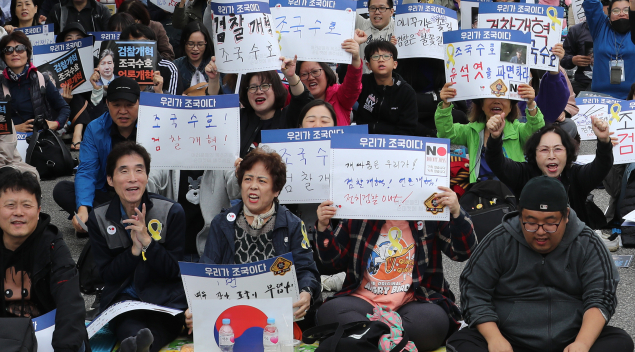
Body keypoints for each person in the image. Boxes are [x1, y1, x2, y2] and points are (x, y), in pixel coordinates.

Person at [450, 177, 632, 352]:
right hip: (509, 340)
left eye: (550, 223)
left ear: (566, 215)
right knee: (460, 342)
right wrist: (494, 339)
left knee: (620, 342)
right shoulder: (499, 239)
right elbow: (473, 291)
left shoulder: (588, 243)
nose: (540, 232)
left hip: (571, 340)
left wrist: (582, 344)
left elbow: (601, 297)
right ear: (520, 214)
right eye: (530, 223)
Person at [313, 184, 473, 350]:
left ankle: (365, 340)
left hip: (414, 300)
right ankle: (395, 342)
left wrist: (456, 212)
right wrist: (323, 227)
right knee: (329, 311)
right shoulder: (358, 212)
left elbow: (462, 252)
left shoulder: (429, 214)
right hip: (362, 300)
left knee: (432, 323)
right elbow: (331, 263)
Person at [192, 149, 319, 329]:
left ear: (276, 190)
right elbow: (207, 270)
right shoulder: (221, 223)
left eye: (262, 181)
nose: (253, 186)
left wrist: (306, 292)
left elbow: (306, 270)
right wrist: (197, 305)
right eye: (248, 179)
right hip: (231, 315)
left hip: (277, 318)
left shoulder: (293, 225)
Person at [87, 142, 186, 352]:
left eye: (139, 170)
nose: (132, 178)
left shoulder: (171, 211)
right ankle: (136, 346)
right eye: (124, 171)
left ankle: (142, 348)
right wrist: (133, 251)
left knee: (165, 323)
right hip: (124, 296)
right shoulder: (98, 218)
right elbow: (107, 275)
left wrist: (148, 243)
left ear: (147, 177)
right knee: (126, 322)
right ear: (110, 180)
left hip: (164, 296)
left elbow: (176, 272)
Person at [0, 166, 87, 347]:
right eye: (10, 205)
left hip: (47, 335)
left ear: (38, 211)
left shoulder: (52, 244)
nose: (18, 213)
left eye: (26, 205)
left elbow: (69, 302)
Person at [484, 115, 613, 228]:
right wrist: (495, 138)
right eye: (544, 150)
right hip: (529, 239)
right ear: (534, 154)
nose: (551, 155)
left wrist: (604, 141)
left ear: (567, 153)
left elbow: (601, 166)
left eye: (558, 149)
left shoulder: (575, 175)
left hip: (572, 242)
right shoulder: (523, 174)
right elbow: (496, 162)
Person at [53, 76, 142, 237]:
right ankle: (110, 223)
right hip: (106, 194)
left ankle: (104, 224)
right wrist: (83, 208)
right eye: (116, 105)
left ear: (139, 104)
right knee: (62, 189)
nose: (123, 111)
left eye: (129, 105)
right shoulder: (95, 128)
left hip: (141, 194)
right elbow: (87, 170)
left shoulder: (151, 125)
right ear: (107, 104)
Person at [0, 30, 69, 131]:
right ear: (4, 57)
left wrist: (56, 124)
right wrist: (13, 129)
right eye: (9, 50)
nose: (14, 53)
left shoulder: (41, 79)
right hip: (7, 143)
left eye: (20, 49)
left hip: (39, 140)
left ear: (27, 54)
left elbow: (64, 108)